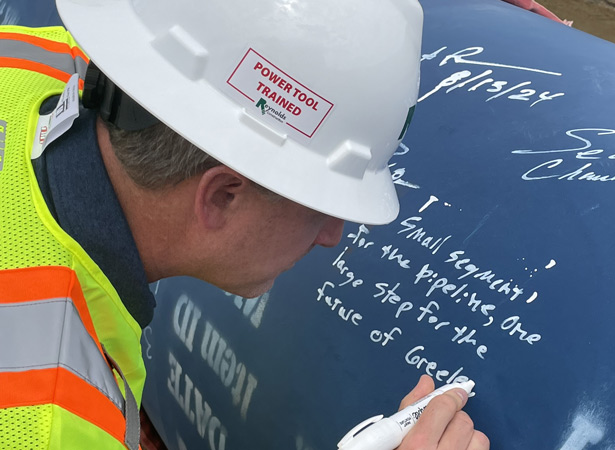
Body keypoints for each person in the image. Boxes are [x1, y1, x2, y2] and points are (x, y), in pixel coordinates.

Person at [0, 0, 490, 449]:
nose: (332, 236)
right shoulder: (47, 419)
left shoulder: (33, 53)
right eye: (320, 205)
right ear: (221, 197)